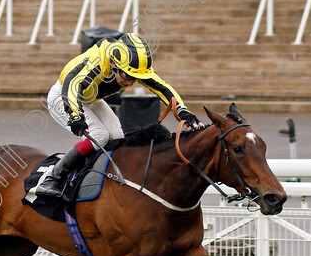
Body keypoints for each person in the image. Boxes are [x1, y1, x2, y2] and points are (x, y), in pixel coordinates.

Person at [36, 32, 203, 198]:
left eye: (135, 78)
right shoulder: (98, 62)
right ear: (114, 64)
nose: (130, 83)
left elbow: (162, 87)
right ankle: (52, 177)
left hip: (91, 98)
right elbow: (73, 83)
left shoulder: (131, 66)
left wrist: (182, 111)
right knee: (99, 135)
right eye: (128, 76)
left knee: (117, 138)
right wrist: (75, 115)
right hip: (64, 96)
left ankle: (99, 179)